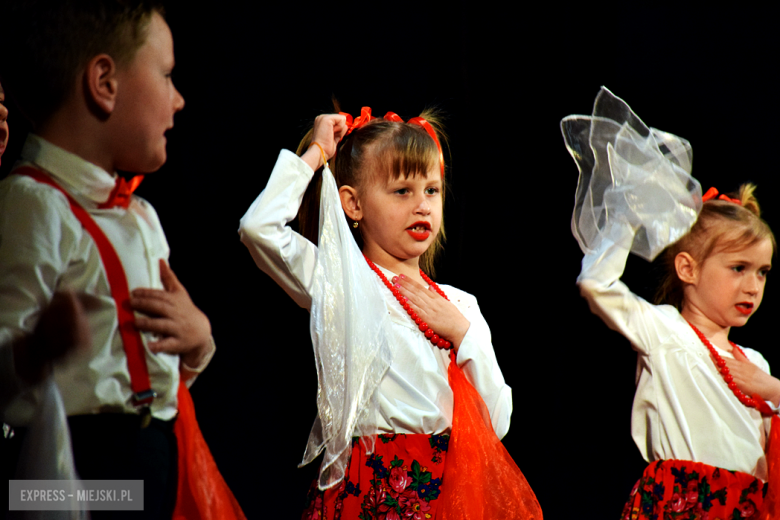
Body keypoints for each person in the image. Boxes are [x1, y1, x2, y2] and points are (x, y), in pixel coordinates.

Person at [0, 2, 242, 518]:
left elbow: (142, 373)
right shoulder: (30, 204)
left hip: (155, 459)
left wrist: (197, 342)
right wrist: (35, 349)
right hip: (76, 468)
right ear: (104, 83)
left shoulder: (141, 217)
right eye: (167, 75)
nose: (179, 99)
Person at [239, 108, 542, 519]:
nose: (422, 206)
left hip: (446, 497)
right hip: (369, 492)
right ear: (353, 204)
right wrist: (316, 152)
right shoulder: (342, 283)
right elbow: (259, 227)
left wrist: (462, 333)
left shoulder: (461, 306)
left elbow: (498, 423)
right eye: (402, 191)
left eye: (431, 190)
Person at [566, 88, 780, 519]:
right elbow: (596, 284)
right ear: (688, 269)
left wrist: (773, 390)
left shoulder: (756, 364)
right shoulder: (665, 331)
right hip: (679, 503)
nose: (752, 286)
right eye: (738, 268)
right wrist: (627, 216)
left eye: (762, 272)